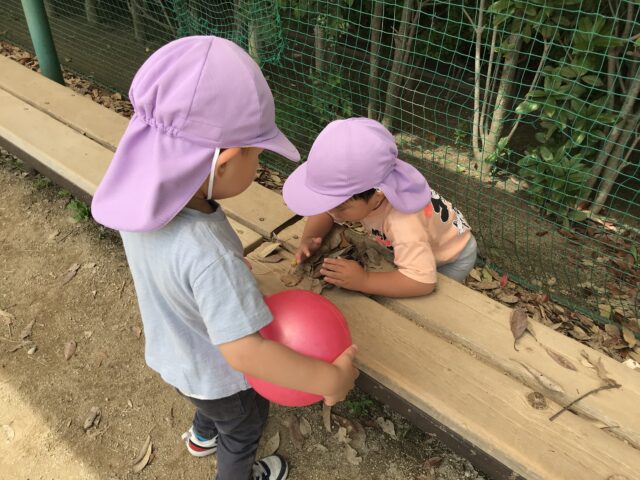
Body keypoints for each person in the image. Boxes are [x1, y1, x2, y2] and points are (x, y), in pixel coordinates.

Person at [91, 36, 358, 480]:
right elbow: (247, 353)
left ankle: (201, 437)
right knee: (243, 428)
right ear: (226, 161)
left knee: (211, 409)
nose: (258, 164)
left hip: (177, 354)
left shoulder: (138, 200)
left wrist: (214, 283)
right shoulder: (209, 256)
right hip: (220, 377)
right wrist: (330, 380)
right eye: (257, 154)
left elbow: (174, 264)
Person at [282, 117, 477, 298]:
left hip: (451, 254)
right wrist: (309, 238)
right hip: (419, 240)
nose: (331, 212)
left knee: (434, 303)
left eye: (339, 207)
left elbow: (421, 282)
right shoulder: (366, 187)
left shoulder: (403, 223)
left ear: (378, 193)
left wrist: (364, 280)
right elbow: (325, 210)